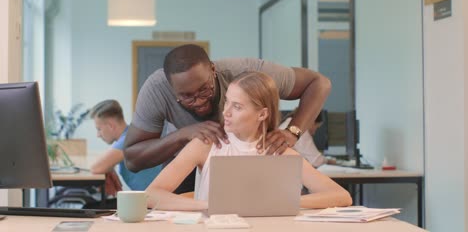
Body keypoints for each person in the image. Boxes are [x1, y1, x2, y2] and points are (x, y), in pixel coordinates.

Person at [124, 44, 332, 191]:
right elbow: (134, 162)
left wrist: (292, 132)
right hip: (192, 170)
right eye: (187, 97)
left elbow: (318, 83)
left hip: (259, 165)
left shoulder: (246, 73)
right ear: (171, 89)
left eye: (204, 91)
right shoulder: (158, 92)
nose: (198, 102)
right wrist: (182, 135)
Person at [145, 71, 351, 210]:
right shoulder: (206, 145)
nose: (225, 112)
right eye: (227, 102)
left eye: (237, 107)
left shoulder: (278, 151)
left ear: (262, 114)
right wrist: (208, 205)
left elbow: (341, 196)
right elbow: (151, 195)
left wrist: (282, 204)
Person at [89, 100, 162, 191]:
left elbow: (96, 168)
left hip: (154, 202)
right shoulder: (130, 135)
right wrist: (109, 168)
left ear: (111, 125)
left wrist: (108, 167)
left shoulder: (128, 140)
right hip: (148, 199)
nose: (98, 135)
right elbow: (103, 164)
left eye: (99, 129)